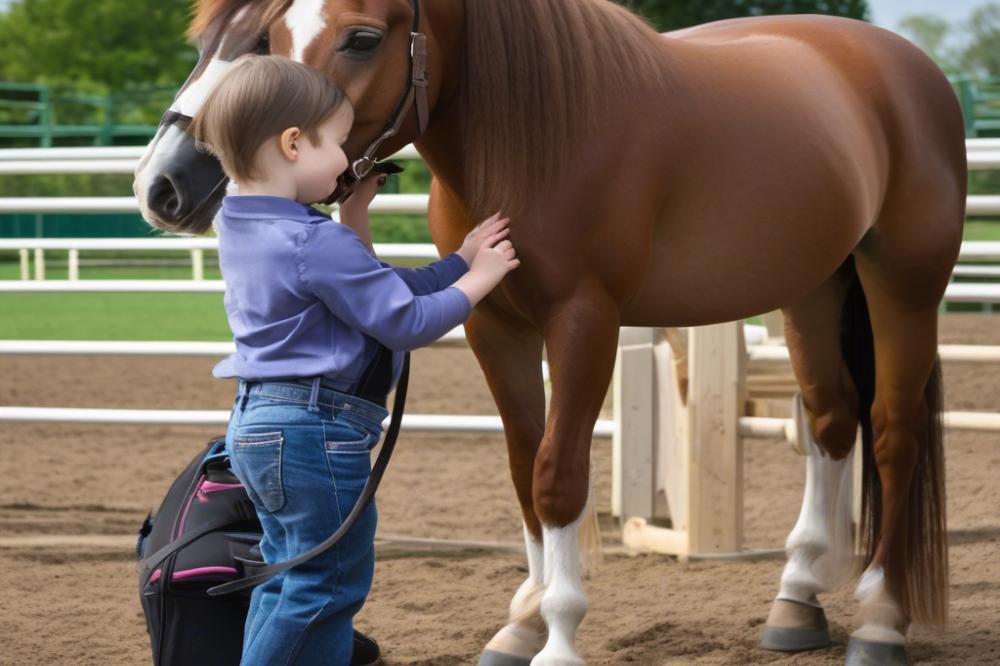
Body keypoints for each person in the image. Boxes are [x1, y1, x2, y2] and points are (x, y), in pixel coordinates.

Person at [189, 54, 519, 666]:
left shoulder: (243, 224)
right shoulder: (314, 241)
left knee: (288, 575)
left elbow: (373, 286)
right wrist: (483, 280)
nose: (347, 160)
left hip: (264, 427)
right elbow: (405, 319)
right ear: (293, 143)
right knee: (327, 584)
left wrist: (445, 254)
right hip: (315, 433)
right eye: (338, 144)